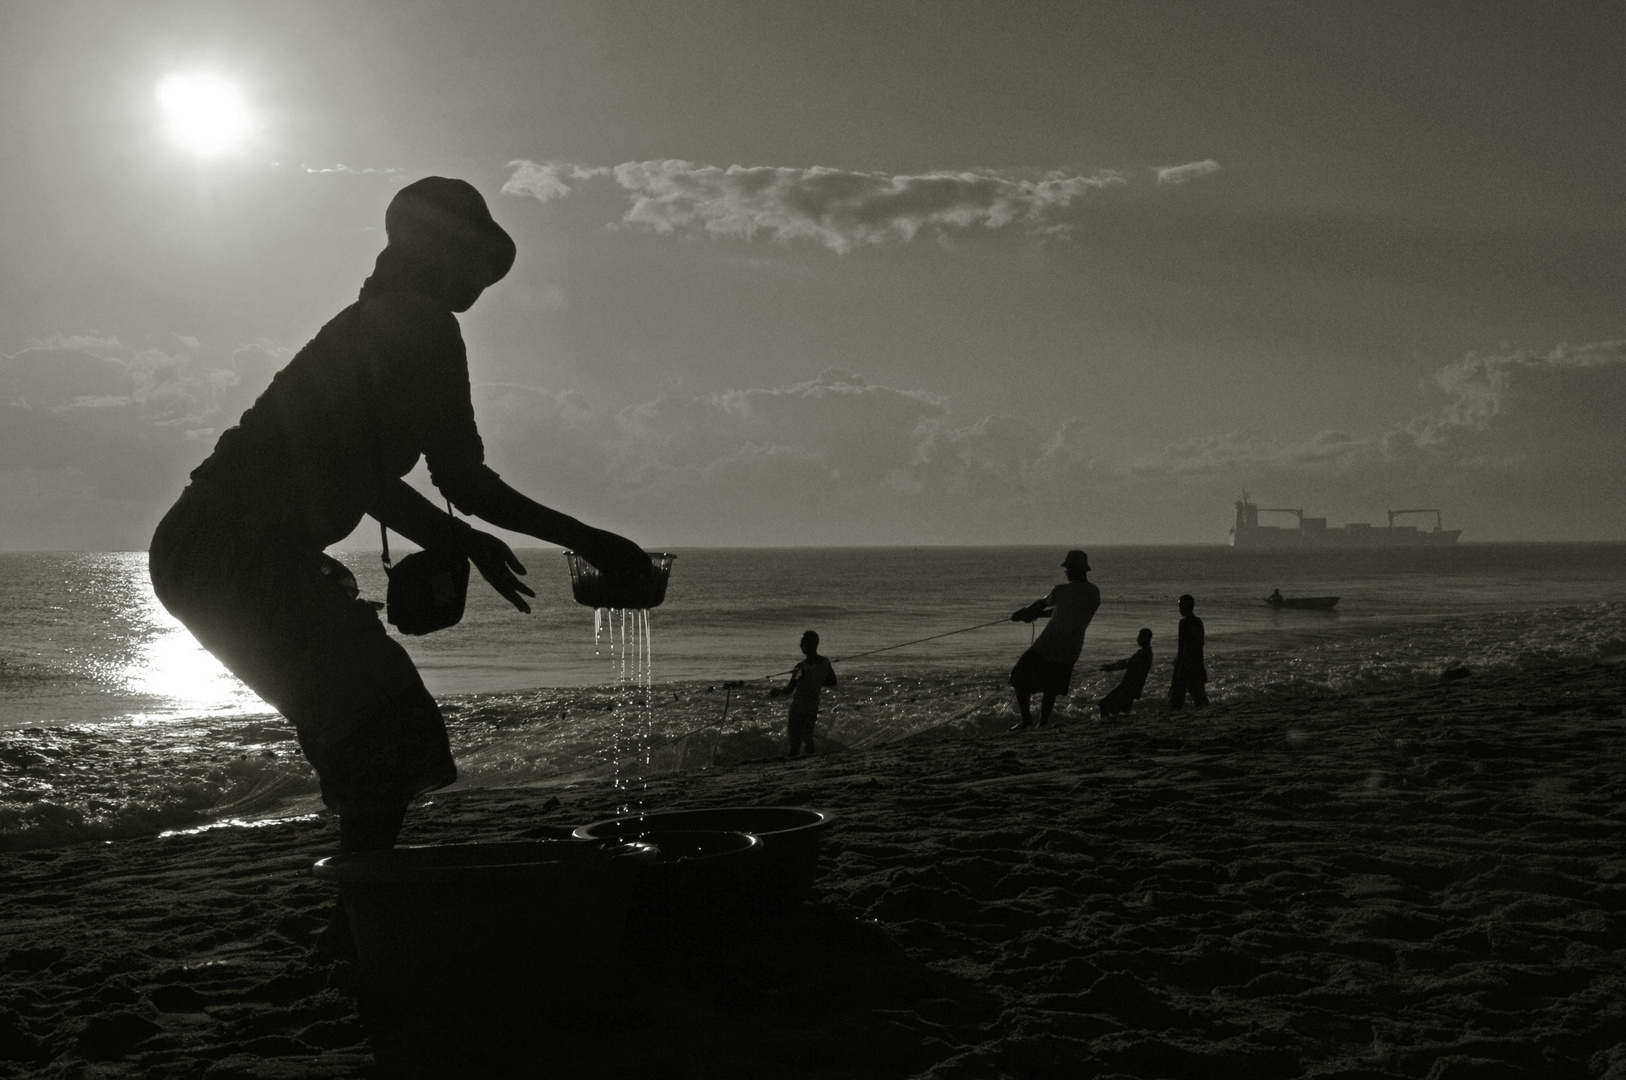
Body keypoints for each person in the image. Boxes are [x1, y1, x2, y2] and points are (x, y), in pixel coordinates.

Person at [148, 176, 651, 870]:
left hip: (208, 549)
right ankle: (362, 911)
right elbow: (458, 482)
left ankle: (359, 907)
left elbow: (372, 475)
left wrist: (457, 537)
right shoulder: (421, 325)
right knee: (388, 728)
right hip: (233, 548)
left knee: (369, 727)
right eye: (479, 263)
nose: (482, 285)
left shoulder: (379, 323)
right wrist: (587, 541)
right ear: (443, 251)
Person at [1008, 550, 1101, 730]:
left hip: (1048, 645)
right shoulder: (1093, 592)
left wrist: (1023, 613)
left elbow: (1041, 602)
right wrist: (1038, 616)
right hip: (1072, 649)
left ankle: (1027, 721)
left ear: (1074, 570)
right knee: (1051, 688)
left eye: (1067, 569)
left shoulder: (1061, 590)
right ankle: (1043, 724)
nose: (1065, 572)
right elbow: (1067, 612)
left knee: (1018, 677)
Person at [769, 630, 837, 756]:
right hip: (812, 706)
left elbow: (789, 689)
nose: (800, 645)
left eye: (802, 643)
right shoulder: (825, 662)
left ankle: (794, 764)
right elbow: (832, 681)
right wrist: (816, 682)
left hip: (798, 708)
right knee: (808, 738)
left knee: (795, 742)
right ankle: (809, 762)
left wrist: (777, 691)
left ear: (807, 645)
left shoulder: (801, 667)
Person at [1098, 628, 1153, 717]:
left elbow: (1126, 664)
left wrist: (1110, 668)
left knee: (1104, 704)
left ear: (1145, 638)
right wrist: (1111, 665)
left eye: (1139, 637)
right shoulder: (1146, 652)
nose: (1137, 639)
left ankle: (1106, 724)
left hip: (1128, 686)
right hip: (1134, 687)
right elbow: (1127, 661)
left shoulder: (1143, 654)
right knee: (1117, 709)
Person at [1168, 594, 1209, 709]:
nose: (1179, 609)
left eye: (1180, 606)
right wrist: (1201, 666)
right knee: (1200, 698)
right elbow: (1199, 645)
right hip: (1196, 664)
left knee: (1176, 699)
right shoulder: (1198, 622)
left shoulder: (1183, 623)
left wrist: (1177, 668)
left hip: (1185, 666)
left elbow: (1182, 647)